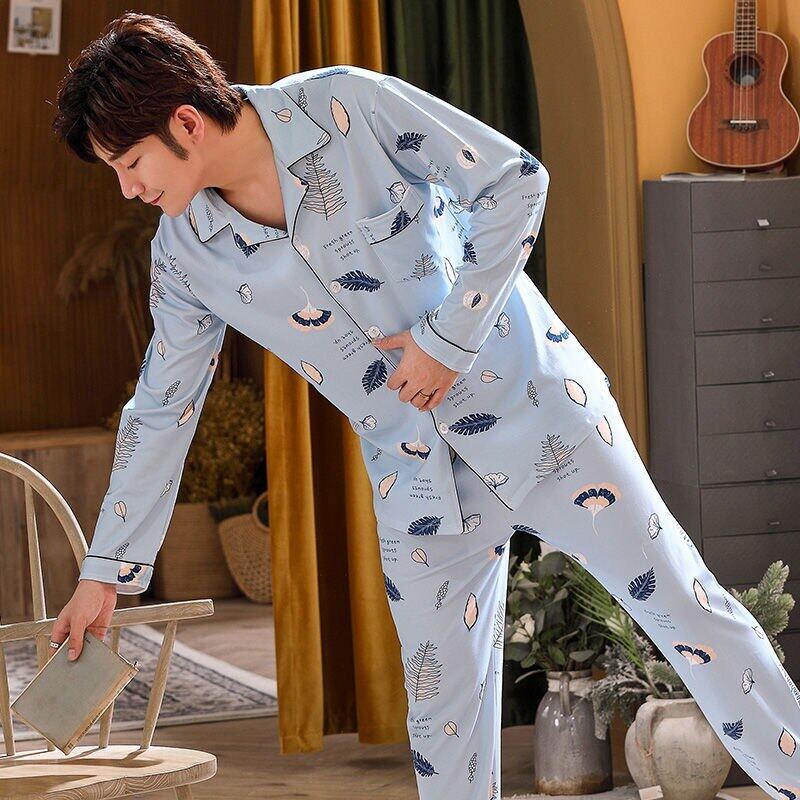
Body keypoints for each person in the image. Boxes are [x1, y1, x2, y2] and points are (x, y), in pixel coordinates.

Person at [48, 13, 799, 800]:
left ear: (185, 123)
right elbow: (160, 409)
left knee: (691, 615)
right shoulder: (185, 256)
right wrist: (107, 575)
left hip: (542, 416)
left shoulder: (346, 105)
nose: (129, 189)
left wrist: (447, 338)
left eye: (129, 163)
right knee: (445, 727)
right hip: (416, 480)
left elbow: (514, 181)